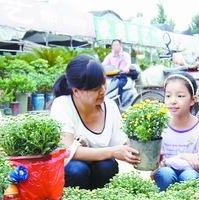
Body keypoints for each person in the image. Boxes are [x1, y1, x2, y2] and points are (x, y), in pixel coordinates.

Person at [51, 55, 140, 190]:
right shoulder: (63, 104)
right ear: (76, 91)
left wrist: (142, 150)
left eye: (103, 83)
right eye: (94, 88)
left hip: (98, 173)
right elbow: (68, 152)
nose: (103, 91)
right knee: (77, 169)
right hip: (71, 172)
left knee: (107, 165)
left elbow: (120, 144)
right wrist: (112, 152)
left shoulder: (110, 107)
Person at [153, 72, 199, 191]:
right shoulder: (160, 126)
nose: (173, 101)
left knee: (189, 175)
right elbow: (158, 164)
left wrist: (168, 162)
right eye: (168, 96)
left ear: (192, 100)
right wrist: (184, 157)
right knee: (165, 174)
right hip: (167, 176)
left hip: (193, 176)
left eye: (180, 96)